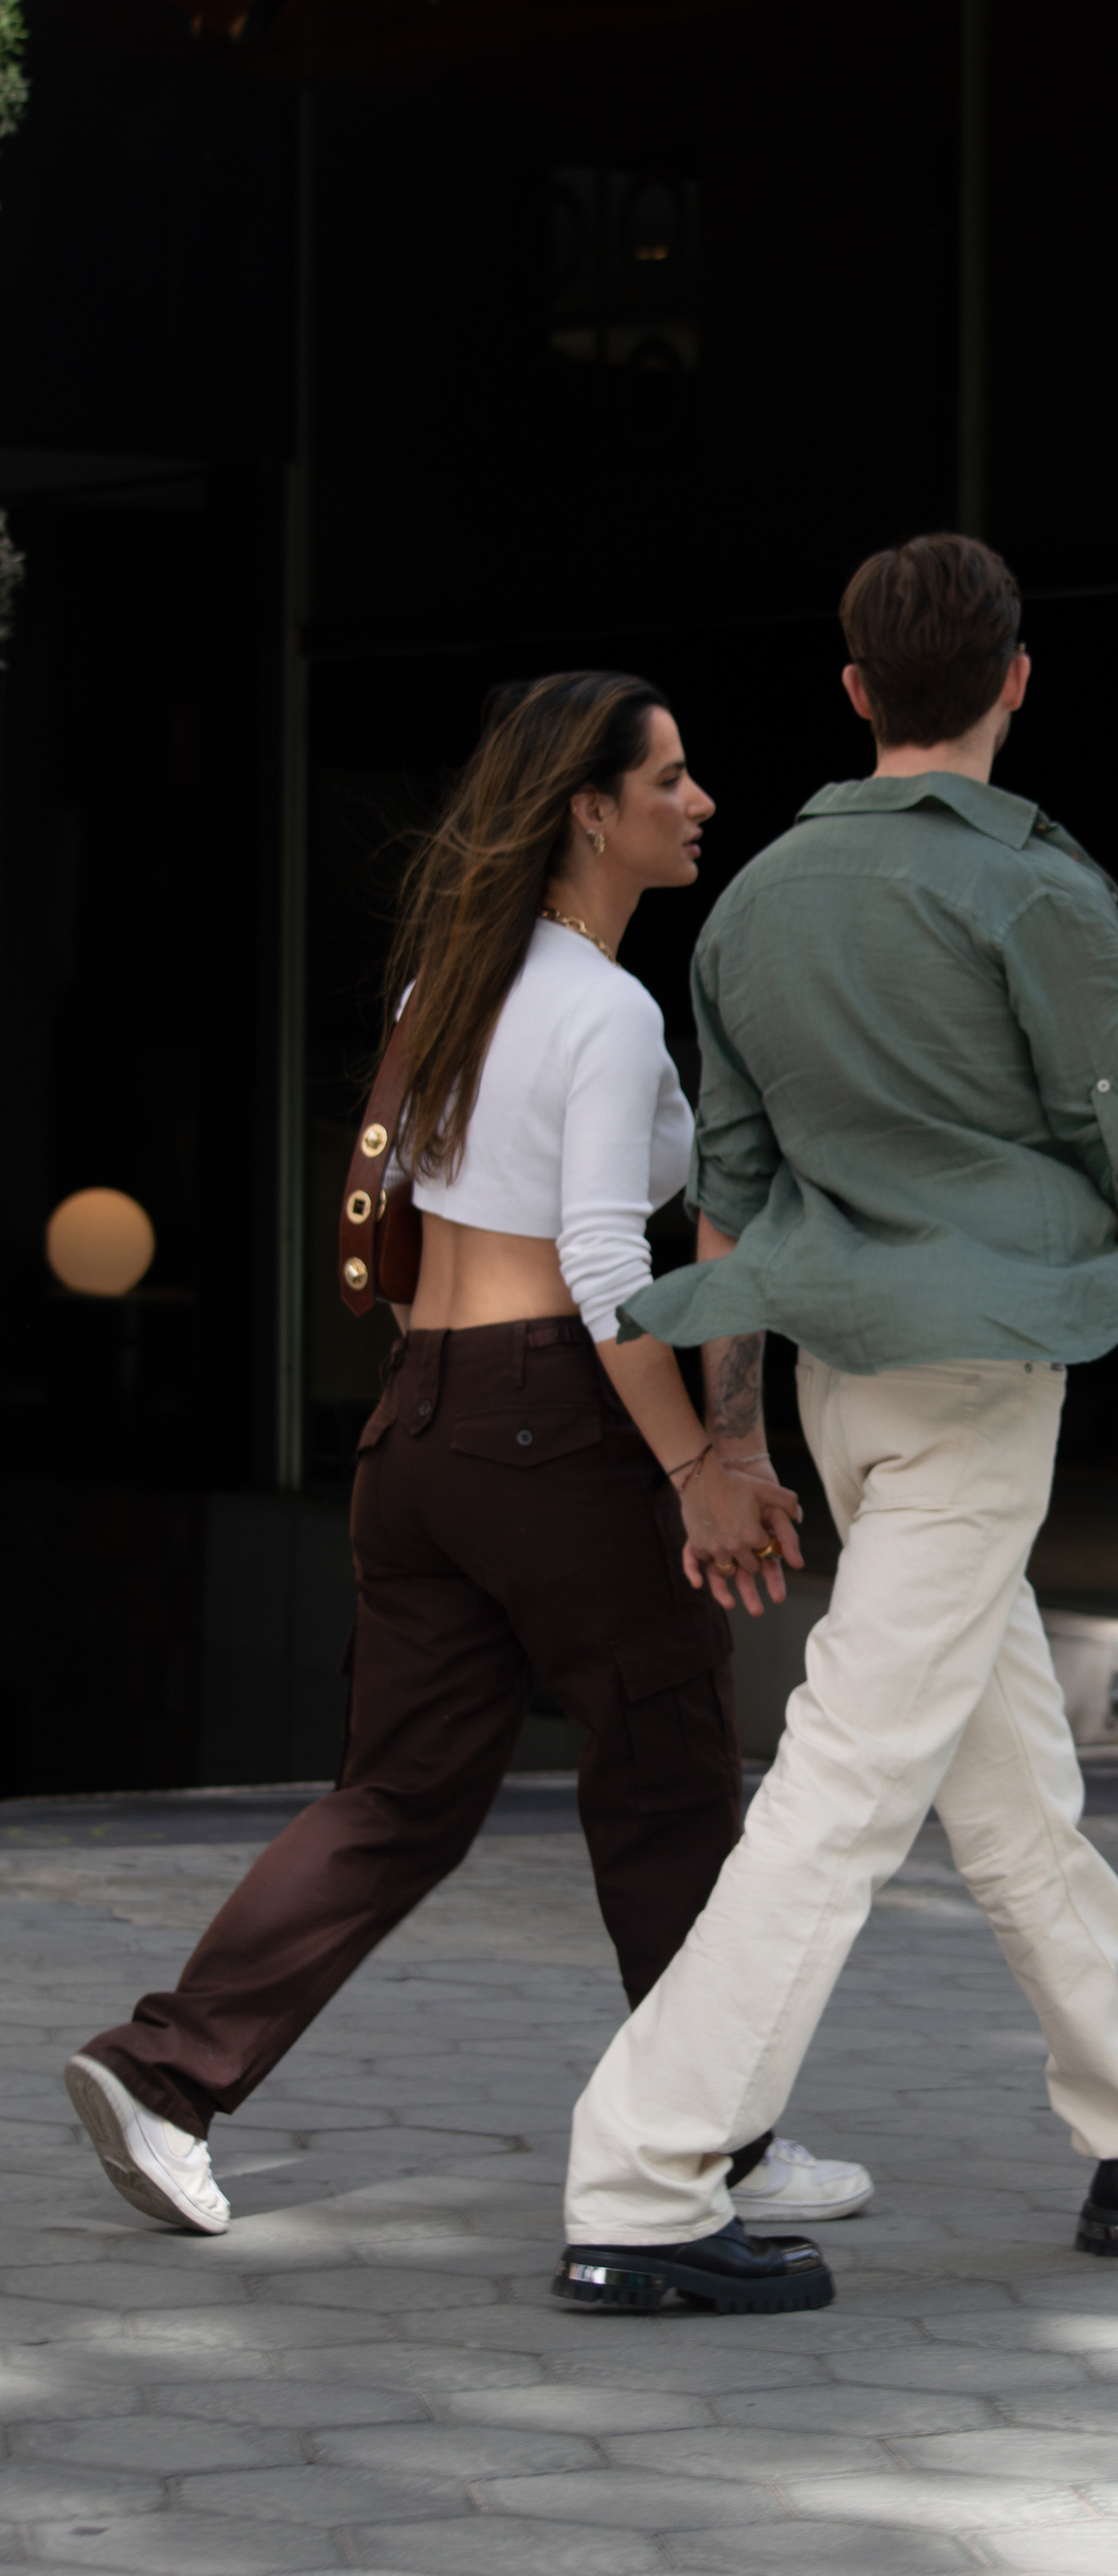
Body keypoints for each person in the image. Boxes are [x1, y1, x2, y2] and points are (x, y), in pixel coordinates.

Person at [549, 539, 1118, 2320]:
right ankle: (645, 2178)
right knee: (845, 1786)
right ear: (1015, 681)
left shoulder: (754, 902)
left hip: (838, 1393)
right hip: (976, 1393)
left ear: (855, 691)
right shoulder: (1038, 892)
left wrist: (735, 1446)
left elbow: (728, 1219)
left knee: (1010, 1784)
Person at [64, 670, 871, 2241]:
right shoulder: (604, 1011)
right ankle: (716, 2142)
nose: (700, 801)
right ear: (591, 810)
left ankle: (164, 2074)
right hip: (550, 1420)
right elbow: (602, 1262)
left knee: (398, 1797)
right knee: (669, 1779)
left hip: (420, 1423)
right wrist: (696, 1467)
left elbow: (420, 1229)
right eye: (670, 778)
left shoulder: (451, 982)